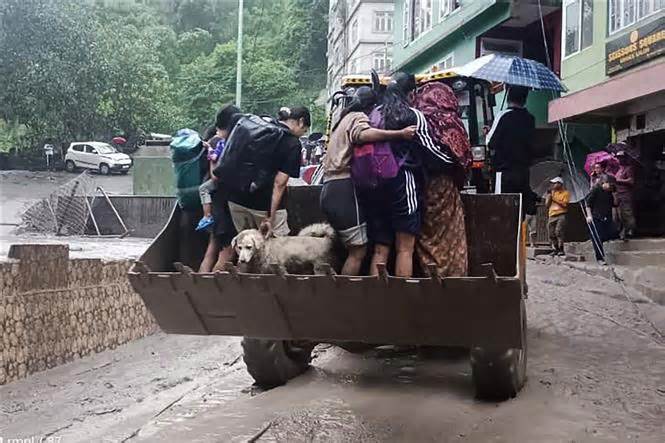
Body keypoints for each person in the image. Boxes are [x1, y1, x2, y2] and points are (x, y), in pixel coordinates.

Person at [321, 86, 416, 275]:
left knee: (359, 248)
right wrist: (400, 134)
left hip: (328, 187)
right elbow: (363, 134)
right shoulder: (358, 117)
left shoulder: (342, 119)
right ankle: (346, 295)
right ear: (371, 105)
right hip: (342, 188)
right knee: (358, 251)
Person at [411, 81, 470, 278]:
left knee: (426, 235)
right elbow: (463, 159)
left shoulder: (416, 118)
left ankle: (429, 277)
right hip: (444, 187)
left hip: (417, 185)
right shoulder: (451, 122)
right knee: (450, 236)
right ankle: (452, 279)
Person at [226, 106, 309, 237]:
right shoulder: (292, 142)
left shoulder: (256, 128)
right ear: (301, 121)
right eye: (304, 130)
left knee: (247, 247)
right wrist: (271, 216)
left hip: (235, 200)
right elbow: (279, 183)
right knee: (276, 250)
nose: (302, 134)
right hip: (263, 204)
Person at [199, 106, 243, 273]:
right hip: (225, 211)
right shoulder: (223, 143)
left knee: (211, 251)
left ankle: (199, 287)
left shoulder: (213, 141)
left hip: (216, 208)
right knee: (226, 254)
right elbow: (216, 176)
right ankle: (209, 292)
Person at [487, 85, 537, 216]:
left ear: (508, 97)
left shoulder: (503, 116)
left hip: (504, 173)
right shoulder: (530, 119)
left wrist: (489, 131)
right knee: (519, 213)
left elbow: (490, 143)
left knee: (502, 210)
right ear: (525, 99)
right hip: (523, 174)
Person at [196, 105, 240, 231]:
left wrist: (210, 151)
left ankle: (207, 216)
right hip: (226, 200)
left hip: (220, 200)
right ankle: (207, 216)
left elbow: (214, 173)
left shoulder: (220, 142)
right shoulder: (227, 143)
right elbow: (215, 174)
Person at [586, 164, 616, 265]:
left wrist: (615, 194)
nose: (608, 185)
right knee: (597, 238)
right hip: (596, 217)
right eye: (607, 183)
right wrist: (589, 216)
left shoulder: (609, 193)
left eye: (609, 183)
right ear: (602, 183)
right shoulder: (596, 190)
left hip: (606, 217)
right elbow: (588, 204)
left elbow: (614, 205)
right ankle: (600, 258)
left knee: (610, 235)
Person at [545, 177, 570, 256]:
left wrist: (554, 199)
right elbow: (547, 205)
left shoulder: (566, 193)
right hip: (552, 214)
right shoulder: (552, 193)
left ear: (560, 184)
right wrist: (548, 196)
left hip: (561, 214)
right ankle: (555, 249)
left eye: (555, 183)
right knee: (551, 233)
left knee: (558, 232)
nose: (553, 185)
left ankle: (561, 249)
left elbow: (565, 204)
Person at [614, 151, 636, 240]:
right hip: (618, 194)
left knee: (627, 213)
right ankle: (622, 232)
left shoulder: (628, 169)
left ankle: (630, 230)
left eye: (621, 157)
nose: (619, 159)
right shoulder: (618, 169)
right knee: (618, 215)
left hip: (625, 194)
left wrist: (619, 180)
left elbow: (631, 181)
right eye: (618, 157)